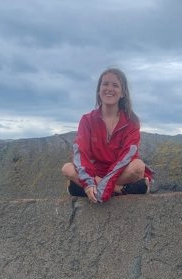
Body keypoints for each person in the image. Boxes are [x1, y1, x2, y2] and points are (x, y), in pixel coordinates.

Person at [62, 68, 152, 203]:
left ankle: (91, 190)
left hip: (120, 172)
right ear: (99, 90)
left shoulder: (131, 121)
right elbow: (81, 152)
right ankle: (121, 190)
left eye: (115, 85)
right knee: (67, 168)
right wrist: (89, 181)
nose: (109, 88)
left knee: (138, 166)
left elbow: (127, 156)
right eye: (105, 84)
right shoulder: (87, 120)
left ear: (122, 93)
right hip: (97, 173)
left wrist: (105, 184)